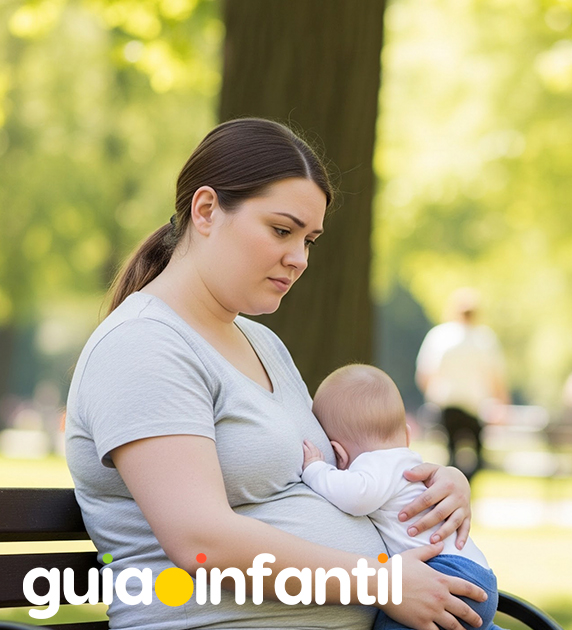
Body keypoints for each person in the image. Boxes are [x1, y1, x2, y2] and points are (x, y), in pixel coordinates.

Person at [65, 118, 487, 630]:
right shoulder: (142, 345)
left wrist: (435, 485)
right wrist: (381, 582)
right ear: (205, 211)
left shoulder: (262, 343)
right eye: (282, 231)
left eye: (310, 239)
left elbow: (341, 469)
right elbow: (200, 540)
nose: (299, 258)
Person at [301, 364, 500, 630]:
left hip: (447, 572)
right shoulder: (405, 462)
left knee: (390, 623)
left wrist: (315, 469)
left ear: (339, 454)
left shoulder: (374, 464)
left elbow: (356, 496)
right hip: (476, 572)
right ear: (407, 435)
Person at [415, 288, 509, 481]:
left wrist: (431, 395)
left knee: (450, 454)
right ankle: (465, 486)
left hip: (447, 404)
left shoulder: (439, 336)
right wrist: (503, 404)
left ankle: (450, 487)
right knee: (477, 456)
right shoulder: (485, 339)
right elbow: (496, 379)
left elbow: (424, 375)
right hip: (475, 407)